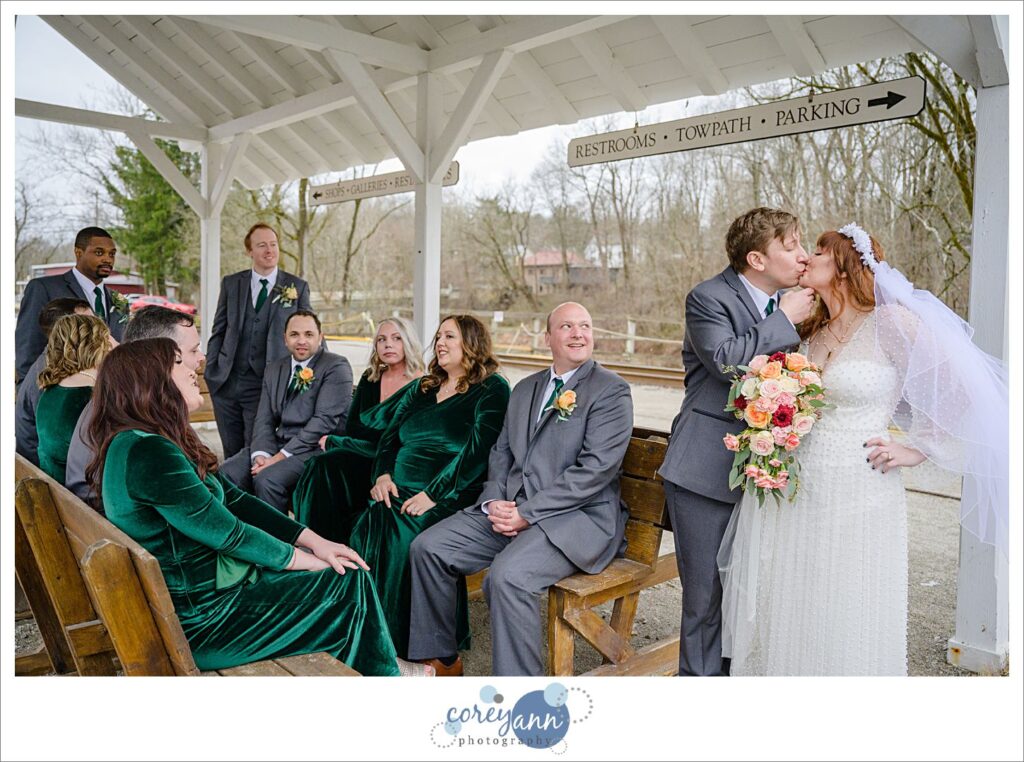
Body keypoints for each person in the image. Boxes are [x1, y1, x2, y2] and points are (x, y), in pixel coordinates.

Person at [718, 224, 1009, 675]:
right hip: (801, 489)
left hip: (860, 490)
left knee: (846, 598)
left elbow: (957, 394)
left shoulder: (891, 323)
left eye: (818, 251)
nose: (806, 258)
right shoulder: (811, 330)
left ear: (844, 266)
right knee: (798, 596)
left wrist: (917, 449)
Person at [87, 338, 433, 676]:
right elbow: (230, 534)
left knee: (338, 572)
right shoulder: (151, 454)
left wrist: (315, 541)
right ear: (150, 382)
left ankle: (380, 667)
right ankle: (388, 675)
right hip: (206, 621)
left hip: (210, 599)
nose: (194, 370)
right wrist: (307, 561)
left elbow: (237, 501)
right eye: (179, 364)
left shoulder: (145, 441)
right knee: (347, 581)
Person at [408, 302, 633, 676]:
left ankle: (521, 693)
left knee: (507, 577)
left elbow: (595, 471)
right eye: (566, 326)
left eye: (585, 326)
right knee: (428, 547)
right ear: (548, 338)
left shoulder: (611, 391)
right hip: (511, 510)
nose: (578, 333)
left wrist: (527, 514)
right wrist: (495, 500)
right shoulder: (526, 389)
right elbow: (501, 452)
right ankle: (442, 661)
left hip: (575, 520)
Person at [657, 207, 816, 676]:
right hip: (703, 472)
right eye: (790, 246)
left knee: (748, 597)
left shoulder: (792, 305)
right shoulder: (708, 297)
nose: (802, 256)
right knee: (704, 600)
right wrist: (784, 318)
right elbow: (728, 363)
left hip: (760, 472)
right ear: (757, 259)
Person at [349, 315, 510, 659]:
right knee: (370, 522)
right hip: (398, 487)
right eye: (438, 336)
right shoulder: (424, 387)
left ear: (471, 342)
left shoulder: (492, 389)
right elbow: (389, 439)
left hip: (452, 493)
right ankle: (366, 631)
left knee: (399, 531)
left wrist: (433, 494)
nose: (440, 342)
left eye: (449, 336)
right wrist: (382, 476)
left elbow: (477, 452)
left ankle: (402, 645)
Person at [294, 316, 425, 541]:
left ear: (409, 343)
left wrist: (338, 442)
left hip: (391, 464)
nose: (388, 345)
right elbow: (353, 427)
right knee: (320, 466)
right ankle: (319, 544)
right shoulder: (371, 378)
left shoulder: (422, 385)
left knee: (329, 462)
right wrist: (358, 441)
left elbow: (397, 441)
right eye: (381, 339)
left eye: (396, 339)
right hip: (361, 454)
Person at [65, 306, 206, 507]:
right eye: (192, 351)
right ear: (157, 356)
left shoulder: (124, 400)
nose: (201, 357)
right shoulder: (137, 425)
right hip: (120, 534)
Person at [220, 310, 353, 513]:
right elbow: (263, 419)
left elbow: (323, 422)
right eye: (294, 334)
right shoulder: (275, 368)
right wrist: (261, 455)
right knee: (227, 472)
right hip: (278, 444)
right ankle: (246, 534)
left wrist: (278, 458)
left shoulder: (336, 366)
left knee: (267, 480)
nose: (301, 341)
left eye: (308, 334)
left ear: (320, 337)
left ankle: (280, 542)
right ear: (285, 339)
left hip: (316, 448)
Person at [204, 223, 312, 459]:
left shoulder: (297, 287)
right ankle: (232, 494)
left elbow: (311, 333)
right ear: (249, 251)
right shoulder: (232, 283)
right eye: (262, 245)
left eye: (273, 244)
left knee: (255, 450)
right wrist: (212, 371)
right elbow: (218, 330)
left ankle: (251, 494)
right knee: (230, 451)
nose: (269, 250)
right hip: (226, 382)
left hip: (266, 382)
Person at [16, 227, 127, 385]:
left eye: (112, 254)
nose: (108, 259)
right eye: (99, 252)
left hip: (109, 394)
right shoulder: (43, 288)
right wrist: (27, 392)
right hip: (57, 393)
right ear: (78, 252)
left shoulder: (118, 300)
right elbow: (28, 346)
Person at [35, 314, 113, 483]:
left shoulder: (52, 389)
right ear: (97, 345)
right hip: (81, 498)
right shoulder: (91, 397)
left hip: (57, 489)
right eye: (107, 340)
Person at [16, 297, 92, 466]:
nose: (100, 330)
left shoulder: (59, 362)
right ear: (65, 331)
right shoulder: (51, 373)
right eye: (88, 325)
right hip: (44, 475)